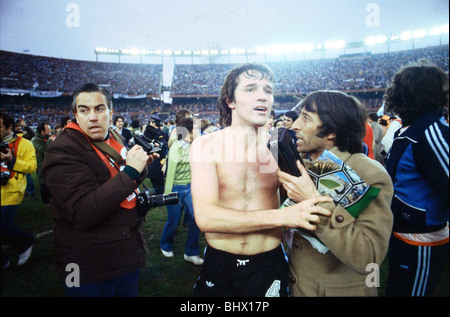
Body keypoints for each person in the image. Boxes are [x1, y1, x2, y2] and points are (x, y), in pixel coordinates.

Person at [190, 63, 332, 297]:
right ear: (230, 101)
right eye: (251, 89)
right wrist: (283, 216)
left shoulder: (279, 146)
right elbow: (206, 218)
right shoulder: (207, 146)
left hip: (268, 262)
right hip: (220, 261)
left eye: (268, 90)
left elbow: (303, 197)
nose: (262, 96)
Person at [42, 83, 158, 297]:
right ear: (75, 115)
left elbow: (120, 178)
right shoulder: (62, 149)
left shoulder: (112, 137)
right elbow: (82, 212)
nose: (92, 117)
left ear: (110, 113)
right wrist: (132, 171)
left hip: (124, 254)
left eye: (99, 109)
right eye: (84, 110)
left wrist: (140, 166)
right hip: (83, 264)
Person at [278, 90, 394, 296]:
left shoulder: (370, 173)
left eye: (306, 118)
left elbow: (369, 257)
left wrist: (314, 200)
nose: (294, 125)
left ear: (331, 131)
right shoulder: (303, 166)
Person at [383, 60, 449, 297]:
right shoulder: (412, 131)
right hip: (403, 236)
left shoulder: (430, 134)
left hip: (422, 242)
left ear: (407, 94)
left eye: (395, 88)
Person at [160, 117, 203, 265]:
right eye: (195, 129)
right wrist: (167, 195)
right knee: (173, 220)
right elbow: (170, 173)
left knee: (196, 219)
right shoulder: (176, 147)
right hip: (175, 188)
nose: (198, 131)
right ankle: (165, 244)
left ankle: (191, 252)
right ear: (187, 132)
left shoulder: (195, 146)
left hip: (190, 187)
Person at [1, 112, 37, 269]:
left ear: (9, 127)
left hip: (12, 190)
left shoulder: (25, 144)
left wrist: (11, 160)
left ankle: (25, 242)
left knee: (2, 226)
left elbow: (31, 167)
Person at [144, 115, 168, 195]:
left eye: (151, 122)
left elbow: (163, 145)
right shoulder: (147, 133)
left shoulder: (161, 133)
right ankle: (158, 193)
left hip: (158, 160)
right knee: (153, 178)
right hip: (151, 160)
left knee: (159, 181)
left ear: (153, 123)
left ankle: (160, 195)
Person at [31, 122, 53, 204]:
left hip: (48, 163)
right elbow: (43, 150)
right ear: (42, 131)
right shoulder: (36, 140)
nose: (50, 131)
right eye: (48, 129)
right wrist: (50, 141)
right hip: (41, 165)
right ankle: (45, 201)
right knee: (43, 182)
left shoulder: (45, 138)